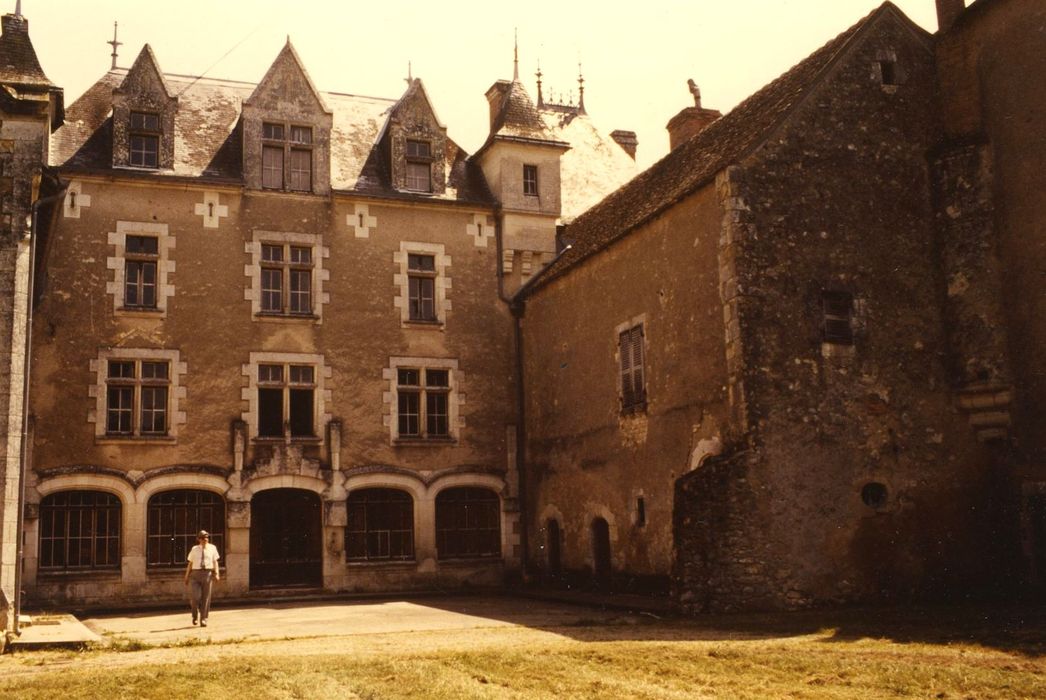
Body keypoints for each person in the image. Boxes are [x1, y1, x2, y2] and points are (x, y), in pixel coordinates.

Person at [184, 530, 220, 627]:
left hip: (207, 573)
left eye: (206, 538)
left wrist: (216, 573)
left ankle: (203, 619)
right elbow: (190, 563)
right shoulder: (194, 549)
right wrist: (186, 576)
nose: (205, 540)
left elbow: (215, 562)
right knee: (195, 597)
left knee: (205, 598)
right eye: (203, 538)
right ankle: (194, 616)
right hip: (195, 574)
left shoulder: (212, 548)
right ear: (198, 539)